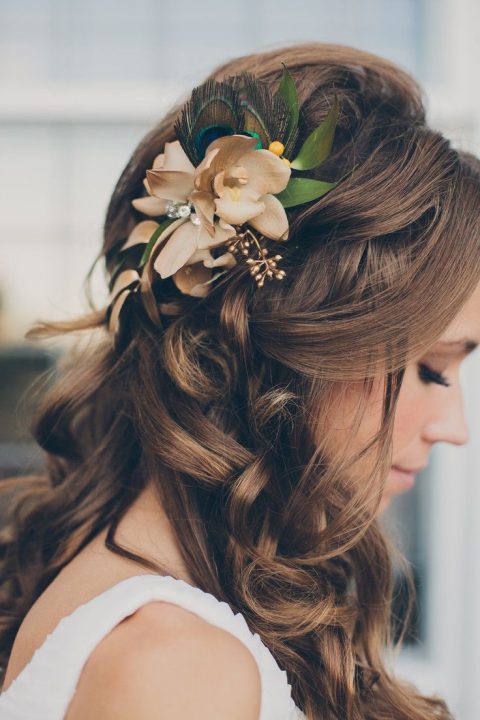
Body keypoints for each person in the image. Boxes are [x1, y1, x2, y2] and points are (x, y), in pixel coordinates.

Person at [0, 41, 479, 720]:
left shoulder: (140, 596)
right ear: (290, 353)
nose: (452, 426)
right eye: (432, 369)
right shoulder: (178, 667)